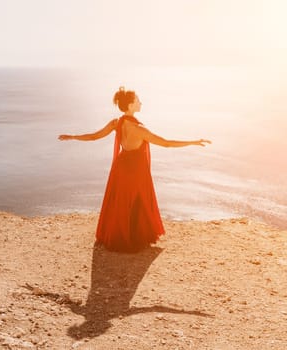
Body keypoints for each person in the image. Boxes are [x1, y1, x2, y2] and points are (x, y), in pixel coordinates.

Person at [58, 87, 211, 253]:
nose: (141, 102)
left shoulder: (116, 122)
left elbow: (95, 136)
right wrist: (193, 142)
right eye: (138, 100)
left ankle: (120, 235)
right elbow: (166, 143)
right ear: (130, 105)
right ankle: (132, 238)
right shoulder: (139, 129)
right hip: (135, 171)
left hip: (121, 166)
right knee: (137, 201)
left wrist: (73, 136)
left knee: (121, 202)